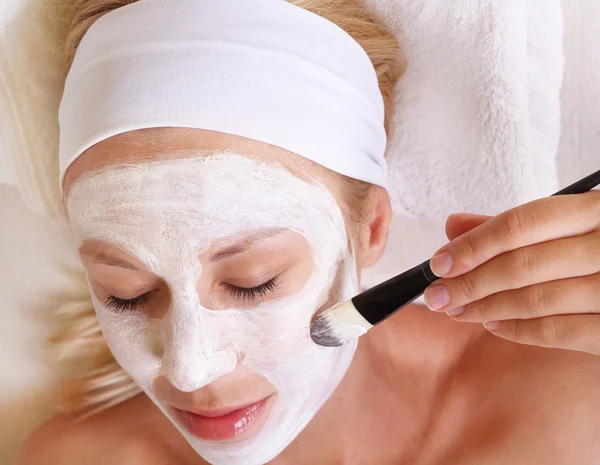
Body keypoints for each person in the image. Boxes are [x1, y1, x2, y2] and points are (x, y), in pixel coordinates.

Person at [17, 0, 600, 464]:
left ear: (370, 228)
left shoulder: (577, 400)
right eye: (126, 293)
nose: (189, 368)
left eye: (253, 282)